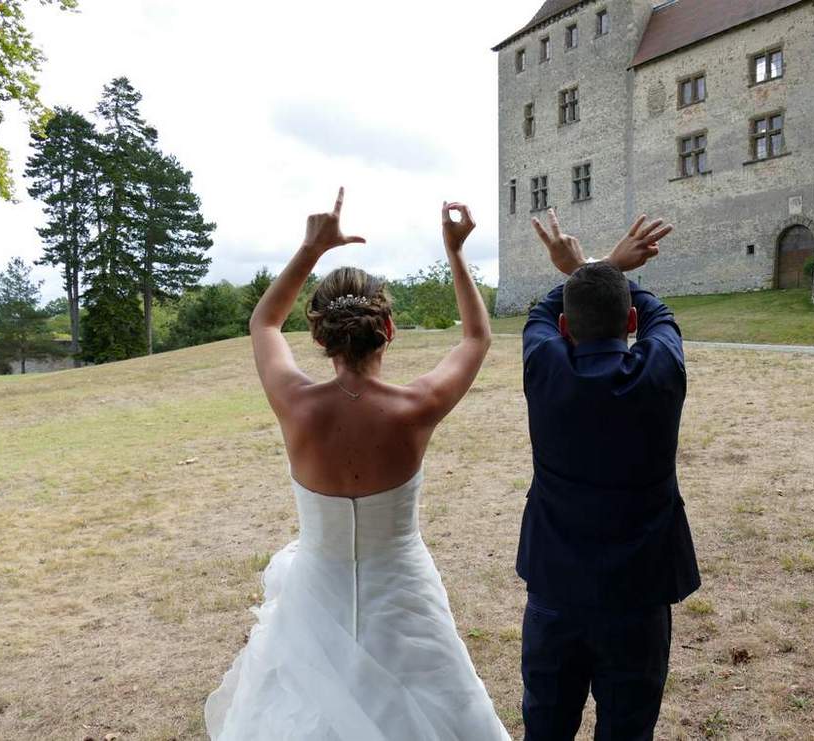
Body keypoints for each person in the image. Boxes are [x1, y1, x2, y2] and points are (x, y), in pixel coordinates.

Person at [205, 188, 510, 740]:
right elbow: (476, 337)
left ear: (319, 338)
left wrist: (310, 249)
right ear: (387, 331)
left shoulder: (295, 404)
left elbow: (264, 325)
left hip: (314, 594)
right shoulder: (415, 408)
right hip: (403, 591)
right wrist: (456, 251)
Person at [516, 209, 701, 740]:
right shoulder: (660, 371)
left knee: (546, 728)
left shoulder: (545, 367)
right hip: (639, 592)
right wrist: (605, 268)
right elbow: (659, 314)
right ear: (630, 325)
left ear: (566, 329)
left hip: (556, 588)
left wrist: (593, 267)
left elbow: (541, 314)